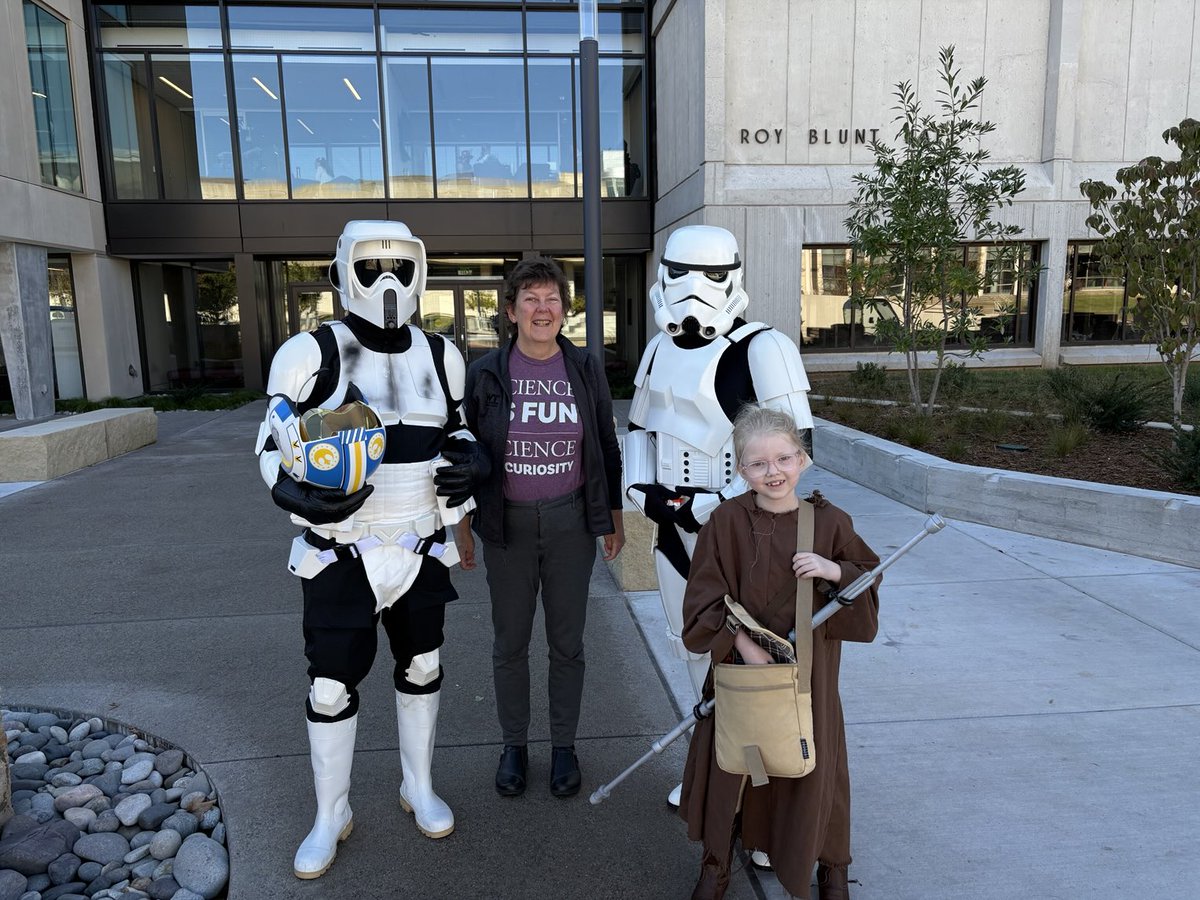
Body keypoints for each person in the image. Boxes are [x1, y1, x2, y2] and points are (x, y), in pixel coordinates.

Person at [254, 220, 489, 879]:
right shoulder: (310, 353)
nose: (387, 281)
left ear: (419, 268)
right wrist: (297, 497)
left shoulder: (443, 355)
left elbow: (460, 430)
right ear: (341, 272)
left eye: (400, 264)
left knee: (422, 667)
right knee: (331, 687)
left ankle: (418, 785)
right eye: (370, 265)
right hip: (341, 548)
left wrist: (475, 465)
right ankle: (332, 812)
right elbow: (271, 444)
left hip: (420, 542)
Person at [623, 224, 813, 819]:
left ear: (733, 276)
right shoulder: (656, 349)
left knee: (753, 661)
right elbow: (638, 431)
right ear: (662, 275)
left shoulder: (765, 348)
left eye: (710, 275)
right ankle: (711, 769)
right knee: (695, 652)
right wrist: (640, 490)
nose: (693, 289)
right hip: (672, 531)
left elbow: (797, 446)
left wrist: (713, 503)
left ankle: (758, 793)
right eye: (680, 272)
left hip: (745, 535)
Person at [678, 405, 881, 900]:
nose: (774, 472)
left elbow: (866, 578)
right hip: (741, 673)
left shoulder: (830, 522)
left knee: (817, 768)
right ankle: (716, 863)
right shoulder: (725, 521)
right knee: (736, 767)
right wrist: (745, 646)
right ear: (740, 469)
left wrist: (834, 573)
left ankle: (832, 866)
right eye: (758, 463)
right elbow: (704, 599)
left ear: (803, 459)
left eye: (784, 459)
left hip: (808, 680)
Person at [456, 256, 624, 799]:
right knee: (509, 643)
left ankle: (563, 747)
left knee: (567, 642)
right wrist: (461, 526)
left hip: (571, 522)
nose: (542, 308)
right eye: (530, 299)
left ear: (565, 310)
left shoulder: (584, 368)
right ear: (511, 311)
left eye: (552, 298)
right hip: (506, 526)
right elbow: (461, 453)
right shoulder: (484, 372)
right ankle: (513, 747)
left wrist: (612, 520)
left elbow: (605, 445)